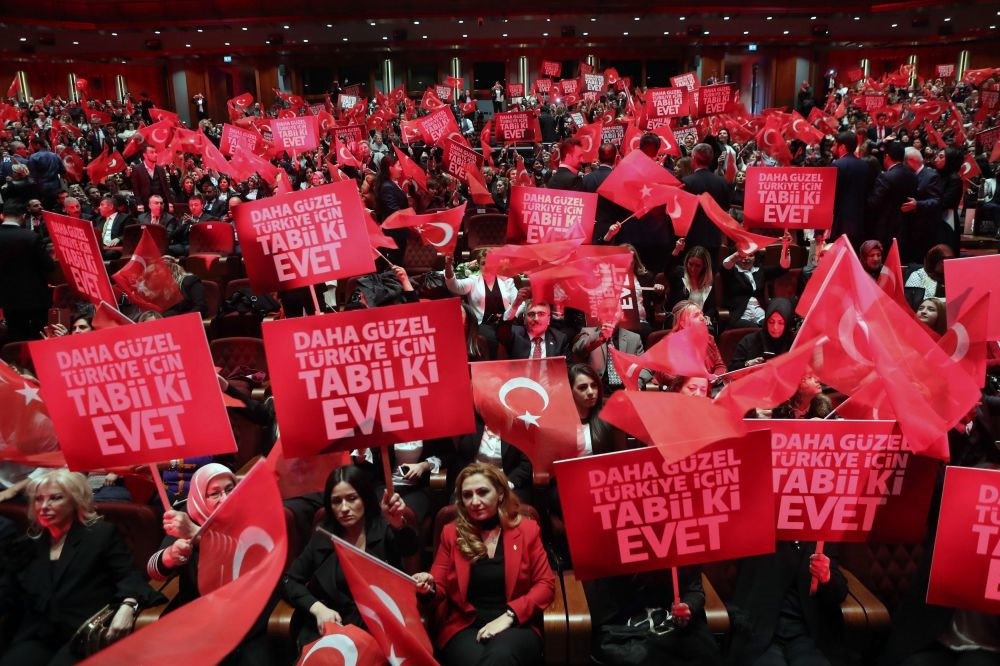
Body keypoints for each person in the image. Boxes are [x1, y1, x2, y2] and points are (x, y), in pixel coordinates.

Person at [0, 470, 158, 665]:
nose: (44, 506)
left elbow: (129, 576)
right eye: (39, 500)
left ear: (75, 500)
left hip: (80, 635)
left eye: (55, 498)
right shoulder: (26, 544)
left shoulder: (100, 535)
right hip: (37, 633)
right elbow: (7, 591)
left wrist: (128, 605)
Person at [413, 463, 555, 666]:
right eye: (467, 495)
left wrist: (510, 616)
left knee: (501, 655)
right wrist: (428, 587)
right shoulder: (451, 533)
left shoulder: (527, 530)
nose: (475, 501)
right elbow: (440, 587)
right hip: (465, 626)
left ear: (499, 494)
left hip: (516, 625)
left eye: (482, 492)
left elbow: (545, 584)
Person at [282, 465, 416, 652]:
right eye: (337, 501)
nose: (344, 508)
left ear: (365, 499)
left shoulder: (384, 528)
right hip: (330, 629)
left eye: (352, 499)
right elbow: (290, 580)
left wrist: (397, 524)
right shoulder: (324, 534)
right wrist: (318, 608)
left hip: (377, 630)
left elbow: (410, 548)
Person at [729, 541, 849, 666]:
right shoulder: (759, 533)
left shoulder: (821, 539)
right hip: (761, 631)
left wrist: (827, 577)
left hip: (807, 634)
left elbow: (839, 592)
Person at [584, 568, 723, 666]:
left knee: (703, 650)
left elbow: (694, 590)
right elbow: (600, 611)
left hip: (673, 624)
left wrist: (687, 607)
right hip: (623, 627)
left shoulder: (679, 547)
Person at [0, 200, 54, 342]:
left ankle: (19, 364)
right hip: (35, 297)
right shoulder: (31, 237)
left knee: (16, 337)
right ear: (23, 216)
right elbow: (48, 266)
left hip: (7, 298)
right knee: (39, 337)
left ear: (2, 216)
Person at [682, 143, 729, 268]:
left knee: (691, 275)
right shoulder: (722, 182)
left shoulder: (686, 182)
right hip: (714, 238)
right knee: (710, 274)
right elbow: (725, 209)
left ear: (694, 159)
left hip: (692, 238)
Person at [866, 141, 917, 251]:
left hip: (886, 229)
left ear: (887, 156)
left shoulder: (886, 177)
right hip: (908, 226)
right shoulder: (913, 175)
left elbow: (874, 202)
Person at [900, 146, 943, 265]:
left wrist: (917, 204)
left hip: (924, 229)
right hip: (909, 228)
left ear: (911, 161)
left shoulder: (931, 176)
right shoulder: (908, 175)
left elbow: (936, 201)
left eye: (904, 162)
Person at [729, 298, 797, 371]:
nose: (775, 327)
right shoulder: (749, 341)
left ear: (787, 324)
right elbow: (732, 369)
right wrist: (748, 364)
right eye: (771, 322)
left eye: (781, 323)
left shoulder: (794, 343)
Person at [830, 131, 872, 245]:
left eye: (834, 144)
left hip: (841, 221)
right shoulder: (865, 165)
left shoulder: (837, 165)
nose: (832, 148)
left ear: (842, 147)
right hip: (861, 221)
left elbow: (831, 195)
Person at [665, 245, 718, 325]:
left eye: (697, 266)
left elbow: (711, 307)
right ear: (686, 262)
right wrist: (676, 250)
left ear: (704, 266)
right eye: (690, 264)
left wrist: (707, 316)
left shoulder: (708, 281)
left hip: (700, 322)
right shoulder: (679, 274)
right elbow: (667, 270)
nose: (693, 269)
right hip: (679, 321)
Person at [373, 152, 409, 265]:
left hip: (399, 232)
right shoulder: (387, 187)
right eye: (399, 165)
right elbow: (394, 211)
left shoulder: (392, 184)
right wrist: (411, 218)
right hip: (393, 234)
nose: (401, 169)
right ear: (390, 168)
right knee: (395, 266)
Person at [505, 299, 571, 361]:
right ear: (524, 319)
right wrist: (515, 306)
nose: (536, 319)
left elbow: (566, 367)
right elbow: (502, 329)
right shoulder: (514, 333)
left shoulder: (560, 339)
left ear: (548, 320)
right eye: (531, 314)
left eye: (541, 314)